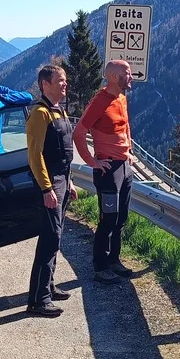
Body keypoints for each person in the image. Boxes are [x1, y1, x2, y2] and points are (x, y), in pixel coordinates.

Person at [73, 60, 135, 285]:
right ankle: (100, 267)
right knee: (108, 219)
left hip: (125, 167)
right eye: (128, 74)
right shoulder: (99, 101)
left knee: (121, 218)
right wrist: (92, 161)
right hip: (108, 169)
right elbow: (79, 133)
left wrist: (129, 150)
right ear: (115, 77)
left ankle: (114, 260)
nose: (131, 77)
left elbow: (125, 125)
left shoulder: (122, 97)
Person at [24, 63, 77, 317]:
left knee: (56, 236)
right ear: (46, 84)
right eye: (60, 81)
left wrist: (71, 182)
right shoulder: (40, 113)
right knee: (50, 238)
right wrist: (47, 188)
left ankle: (49, 286)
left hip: (62, 182)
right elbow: (35, 156)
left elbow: (64, 154)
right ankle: (37, 299)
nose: (65, 84)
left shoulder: (60, 111)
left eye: (65, 80)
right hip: (50, 184)